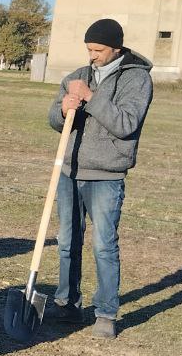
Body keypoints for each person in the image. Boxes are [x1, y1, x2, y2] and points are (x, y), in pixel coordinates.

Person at [48, 18, 153, 338]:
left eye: (98, 50)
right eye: (88, 49)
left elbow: (125, 124)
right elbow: (53, 118)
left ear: (116, 49)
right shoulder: (76, 77)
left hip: (106, 175)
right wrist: (64, 110)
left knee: (104, 245)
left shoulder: (137, 80)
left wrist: (92, 99)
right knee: (67, 242)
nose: (92, 55)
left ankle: (106, 313)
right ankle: (67, 304)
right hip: (70, 170)